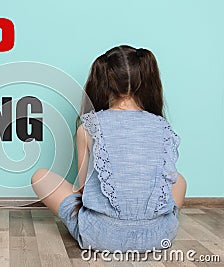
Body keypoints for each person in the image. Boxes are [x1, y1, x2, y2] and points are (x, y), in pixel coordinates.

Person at [31, 45, 187, 252]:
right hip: (158, 236)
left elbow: (85, 188)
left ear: (102, 81)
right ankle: (149, 222)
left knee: (40, 176)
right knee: (180, 180)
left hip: (100, 235)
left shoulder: (89, 125)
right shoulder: (162, 125)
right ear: (146, 80)